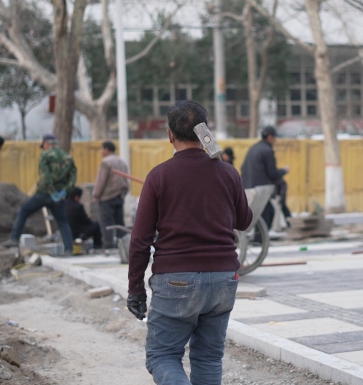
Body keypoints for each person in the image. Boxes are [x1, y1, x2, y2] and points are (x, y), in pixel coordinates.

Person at [127, 100, 252, 385]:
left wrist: (135, 289)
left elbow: (139, 240)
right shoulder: (228, 172)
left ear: (170, 135)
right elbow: (244, 220)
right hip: (224, 279)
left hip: (176, 281)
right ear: (205, 131)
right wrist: (224, 173)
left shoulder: (159, 176)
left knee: (162, 356)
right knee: (208, 358)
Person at [4, 134, 76, 253]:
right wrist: (64, 192)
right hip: (59, 196)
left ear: (46, 143)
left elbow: (45, 177)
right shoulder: (68, 157)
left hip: (44, 194)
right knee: (63, 222)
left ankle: (14, 238)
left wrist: (52, 192)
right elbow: (73, 178)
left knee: (24, 210)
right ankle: (69, 248)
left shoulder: (45, 155)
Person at [240, 126, 288, 230]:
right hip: (261, 189)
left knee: (258, 212)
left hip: (247, 186)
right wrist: (283, 171)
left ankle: (258, 238)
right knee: (267, 212)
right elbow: (272, 173)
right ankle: (260, 239)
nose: (275, 140)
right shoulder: (267, 150)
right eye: (274, 137)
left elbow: (242, 167)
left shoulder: (253, 148)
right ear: (270, 137)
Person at [93, 141, 130, 248]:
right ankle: (123, 245)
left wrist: (96, 195)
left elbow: (101, 181)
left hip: (107, 197)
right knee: (119, 223)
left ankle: (108, 245)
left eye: (102, 149)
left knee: (107, 223)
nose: (101, 152)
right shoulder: (121, 162)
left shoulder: (106, 162)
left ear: (107, 149)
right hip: (120, 196)